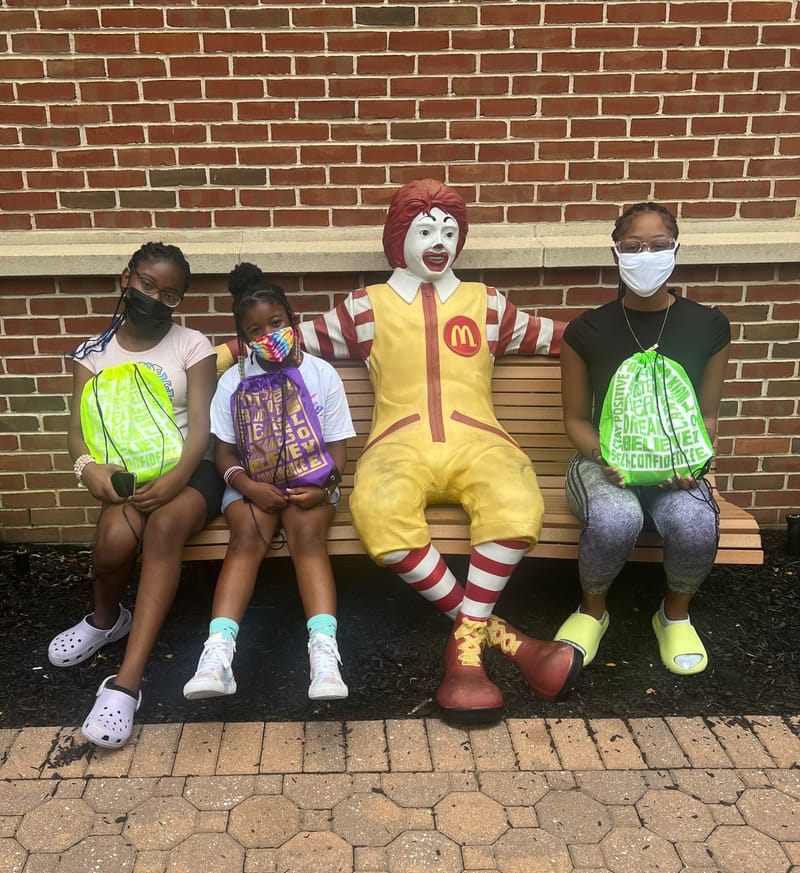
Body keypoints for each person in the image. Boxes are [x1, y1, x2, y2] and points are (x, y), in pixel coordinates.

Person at [299, 179, 580, 722]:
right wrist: (211, 357)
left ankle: (466, 652)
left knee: (515, 498)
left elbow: (563, 336)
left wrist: (633, 341)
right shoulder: (365, 308)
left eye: (449, 232)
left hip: (482, 439)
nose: (439, 241)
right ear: (399, 236)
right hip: (396, 442)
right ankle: (504, 640)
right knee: (377, 507)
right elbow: (287, 340)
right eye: (425, 229)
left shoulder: (488, 304)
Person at [48, 242, 223, 749]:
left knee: (165, 528)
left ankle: (125, 685)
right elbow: (77, 431)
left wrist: (177, 479)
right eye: (147, 285)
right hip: (129, 477)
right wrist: (89, 472)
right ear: (127, 278)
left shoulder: (193, 345)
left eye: (169, 294)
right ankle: (106, 620)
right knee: (113, 544)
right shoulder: (92, 353)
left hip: (193, 473)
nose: (154, 298)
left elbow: (202, 430)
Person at [554, 202, 731, 675]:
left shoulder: (708, 326)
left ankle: (674, 615)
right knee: (615, 518)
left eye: (657, 246)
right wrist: (605, 456)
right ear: (616, 254)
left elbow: (707, 415)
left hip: (676, 464)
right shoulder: (586, 330)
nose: (645, 255)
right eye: (633, 247)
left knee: (695, 522)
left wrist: (692, 464)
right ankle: (591, 611)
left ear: (676, 250)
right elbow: (574, 419)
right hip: (602, 461)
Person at [183, 264, 356, 702]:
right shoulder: (233, 381)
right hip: (250, 483)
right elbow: (223, 452)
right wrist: (247, 485)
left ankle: (324, 656)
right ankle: (218, 654)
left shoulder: (321, 374)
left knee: (306, 533)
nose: (268, 335)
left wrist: (325, 486)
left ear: (293, 322)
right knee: (246, 534)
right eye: (255, 330)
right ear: (243, 339)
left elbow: (338, 451)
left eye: (276, 324)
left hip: (314, 483)